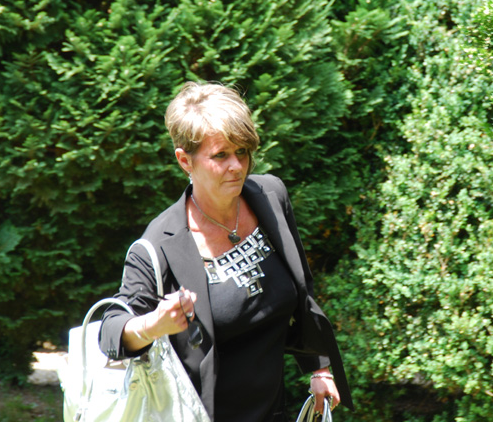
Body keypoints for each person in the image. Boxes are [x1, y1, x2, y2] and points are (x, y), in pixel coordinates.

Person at [99, 81, 352, 421]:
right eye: (220, 155)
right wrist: (154, 325)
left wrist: (319, 367)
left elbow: (300, 293)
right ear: (185, 160)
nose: (237, 165)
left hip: (273, 411)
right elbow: (111, 331)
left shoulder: (270, 197)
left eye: (242, 151)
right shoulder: (160, 245)